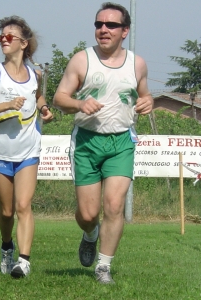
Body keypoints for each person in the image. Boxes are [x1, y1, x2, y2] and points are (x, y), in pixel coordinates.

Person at [53, 2, 153, 284]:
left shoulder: (138, 63)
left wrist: (147, 102)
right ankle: (90, 234)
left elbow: (145, 95)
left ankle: (103, 267)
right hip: (86, 142)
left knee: (114, 205)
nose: (103, 30)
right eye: (99, 25)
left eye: (111, 25)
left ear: (125, 31)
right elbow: (60, 98)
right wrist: (79, 103)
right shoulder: (81, 60)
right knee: (88, 213)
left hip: (121, 141)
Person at [0, 16, 53, 278]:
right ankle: (7, 247)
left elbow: (37, 93)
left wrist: (43, 108)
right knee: (7, 211)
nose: (3, 41)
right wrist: (7, 105)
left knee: (23, 205)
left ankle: (24, 261)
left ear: (23, 43)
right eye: (1, 37)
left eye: (9, 37)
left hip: (29, 151)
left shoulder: (36, 74)